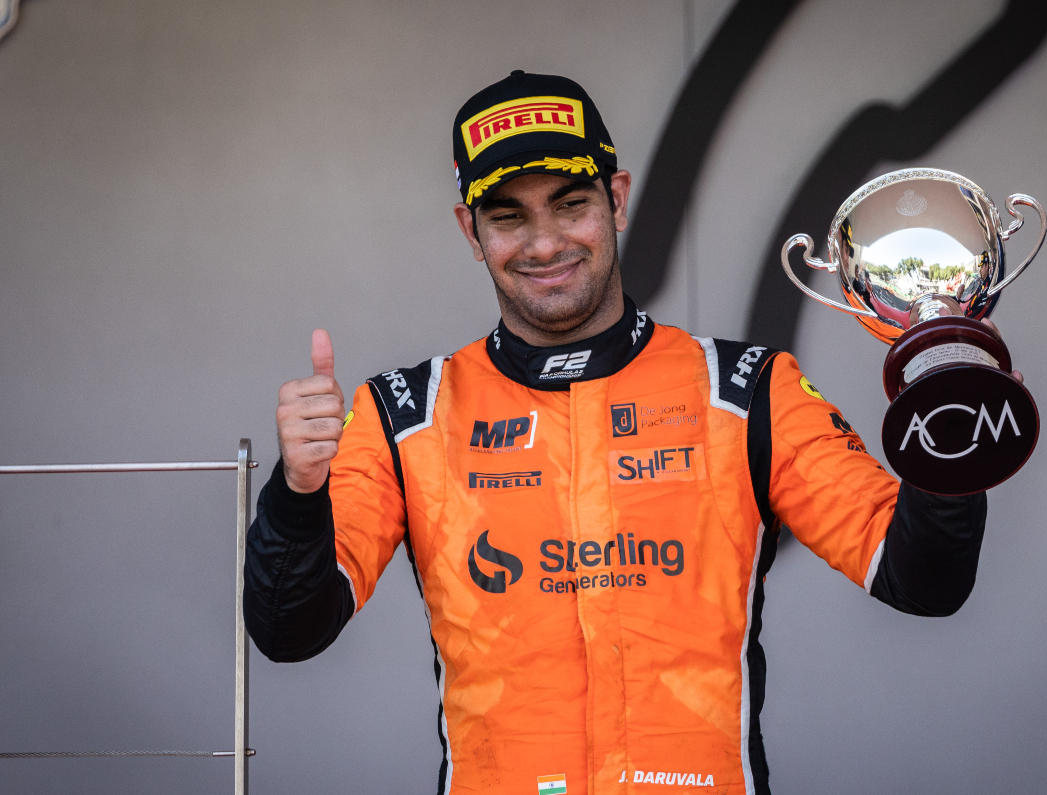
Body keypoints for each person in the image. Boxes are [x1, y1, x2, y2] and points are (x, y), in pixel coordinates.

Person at [245, 71, 1003, 795]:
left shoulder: (744, 389)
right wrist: (297, 494)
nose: (543, 243)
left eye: (570, 203)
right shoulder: (406, 411)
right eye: (507, 215)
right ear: (470, 232)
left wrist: (949, 422)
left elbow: (922, 581)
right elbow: (289, 628)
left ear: (618, 198)